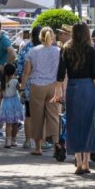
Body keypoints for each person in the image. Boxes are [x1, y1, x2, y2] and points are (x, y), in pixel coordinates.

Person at [55, 23, 95, 175]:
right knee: (89, 123)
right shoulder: (91, 50)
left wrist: (59, 91)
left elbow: (60, 73)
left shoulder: (66, 49)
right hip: (88, 87)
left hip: (73, 88)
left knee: (73, 123)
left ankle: (78, 162)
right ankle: (86, 163)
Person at [21, 27, 60, 155]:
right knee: (53, 117)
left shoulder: (32, 51)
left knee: (37, 117)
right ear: (52, 36)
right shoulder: (58, 51)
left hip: (36, 86)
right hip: (53, 86)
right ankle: (56, 146)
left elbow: (27, 72)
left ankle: (38, 148)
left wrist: (22, 87)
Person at [17, 26, 40, 149]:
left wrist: (22, 85)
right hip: (44, 85)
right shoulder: (47, 49)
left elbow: (20, 69)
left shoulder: (25, 49)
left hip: (28, 86)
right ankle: (41, 142)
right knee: (42, 115)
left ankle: (27, 140)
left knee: (29, 114)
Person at [0, 64, 24, 148]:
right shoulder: (15, 81)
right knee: (15, 123)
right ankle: (14, 140)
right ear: (14, 72)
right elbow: (20, 91)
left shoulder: (0, 83)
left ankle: (8, 141)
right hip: (15, 103)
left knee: (8, 124)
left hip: (6, 103)